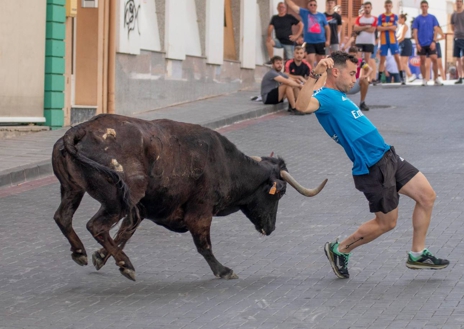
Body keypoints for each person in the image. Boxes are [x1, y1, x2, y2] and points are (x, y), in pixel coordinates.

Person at [293, 51, 449, 279]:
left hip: (388, 156)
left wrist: (323, 67)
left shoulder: (335, 93)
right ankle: (340, 249)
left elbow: (324, 75)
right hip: (372, 166)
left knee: (427, 197)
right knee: (386, 223)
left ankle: (417, 254)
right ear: (335, 72)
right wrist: (315, 72)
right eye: (351, 73)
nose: (355, 78)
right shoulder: (325, 97)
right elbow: (301, 105)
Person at [285, 0, 330, 67]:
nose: (312, 6)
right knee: (310, 59)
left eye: (314, 5)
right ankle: (311, 74)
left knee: (321, 61)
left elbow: (327, 28)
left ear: (316, 6)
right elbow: (293, 6)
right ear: (308, 6)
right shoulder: (304, 13)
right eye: (311, 5)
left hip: (321, 41)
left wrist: (328, 40)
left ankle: (319, 75)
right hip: (310, 42)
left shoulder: (322, 15)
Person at [412, 0, 443, 86]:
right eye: (423, 6)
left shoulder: (432, 17)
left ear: (428, 7)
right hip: (421, 43)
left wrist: (434, 41)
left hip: (431, 43)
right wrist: (417, 43)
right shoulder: (417, 19)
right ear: (421, 7)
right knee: (422, 61)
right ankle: (424, 79)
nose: (424, 8)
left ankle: (436, 78)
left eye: (426, 6)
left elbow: (436, 30)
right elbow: (415, 31)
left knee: (434, 59)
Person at [377, 0, 403, 85]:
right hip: (384, 41)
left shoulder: (394, 16)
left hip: (393, 40)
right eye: (387, 5)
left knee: (397, 59)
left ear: (391, 6)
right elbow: (378, 28)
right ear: (385, 6)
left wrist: (384, 27)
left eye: (389, 5)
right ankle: (379, 79)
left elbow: (395, 27)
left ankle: (402, 77)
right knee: (382, 60)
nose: (388, 7)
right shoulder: (381, 16)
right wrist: (389, 27)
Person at [347, 47, 371, 111]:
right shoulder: (344, 62)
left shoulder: (360, 62)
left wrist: (365, 76)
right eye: (350, 55)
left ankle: (362, 103)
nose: (352, 57)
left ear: (357, 55)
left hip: (354, 84)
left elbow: (370, 69)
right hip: (344, 84)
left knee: (364, 80)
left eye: (354, 55)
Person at [354, 2, 377, 69]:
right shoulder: (359, 18)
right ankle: (358, 76)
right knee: (358, 59)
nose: (367, 9)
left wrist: (361, 28)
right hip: (359, 41)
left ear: (371, 8)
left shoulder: (374, 18)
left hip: (369, 42)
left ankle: (366, 77)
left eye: (368, 7)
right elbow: (355, 28)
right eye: (365, 7)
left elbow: (372, 30)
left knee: (367, 60)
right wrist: (367, 27)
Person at [396, 13, 415, 83]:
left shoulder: (404, 26)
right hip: (403, 43)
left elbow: (402, 37)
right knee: (403, 62)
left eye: (399, 18)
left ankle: (410, 75)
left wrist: (395, 43)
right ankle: (407, 76)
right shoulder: (401, 27)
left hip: (405, 43)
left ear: (403, 19)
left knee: (402, 62)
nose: (398, 20)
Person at [452, 0, 464, 84]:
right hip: (456, 38)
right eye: (457, 1)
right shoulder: (453, 15)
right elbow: (452, 26)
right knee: (458, 59)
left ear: (462, 3)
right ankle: (460, 77)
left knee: (463, 59)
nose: (458, 3)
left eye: (460, 1)